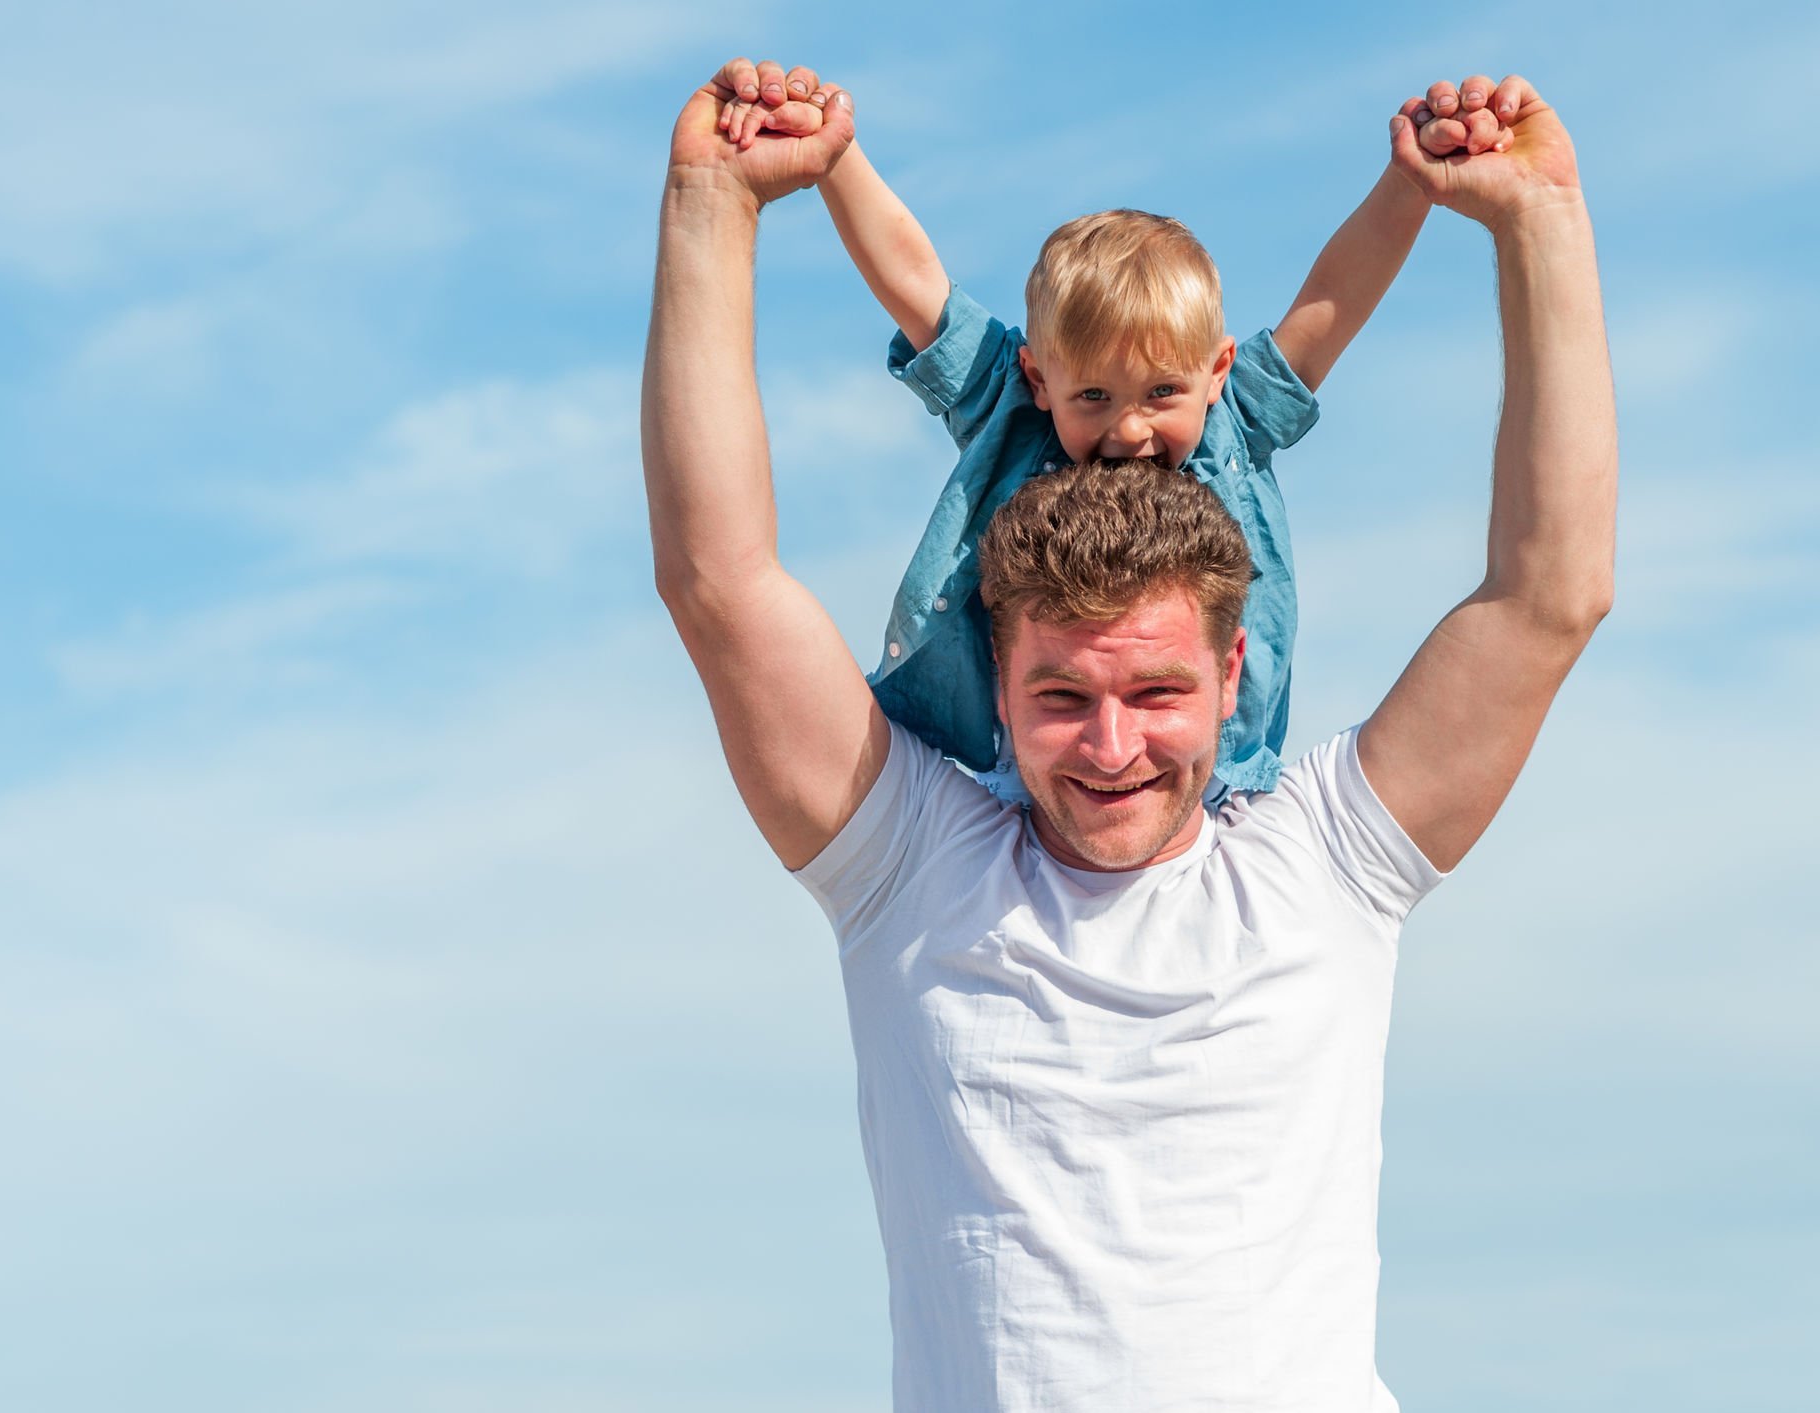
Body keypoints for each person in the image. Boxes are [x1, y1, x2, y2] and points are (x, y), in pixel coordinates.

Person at [642, 59, 1616, 1412]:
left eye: (1154, 694)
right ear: (996, 681)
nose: (1110, 744)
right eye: (1060, 699)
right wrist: (710, 204)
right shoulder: (911, 869)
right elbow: (719, 585)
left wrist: (1541, 221)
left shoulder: (1326, 862)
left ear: (1231, 672)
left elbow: (1548, 596)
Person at [701, 57, 1468, 803]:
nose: (1128, 430)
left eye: (1161, 392)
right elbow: (917, 284)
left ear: (1216, 370)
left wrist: (1410, 183)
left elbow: (1331, 300)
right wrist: (835, 160)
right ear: (1040, 378)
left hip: (1213, 777)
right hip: (1025, 773)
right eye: (1094, 395)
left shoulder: (1234, 418)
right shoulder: (1013, 409)